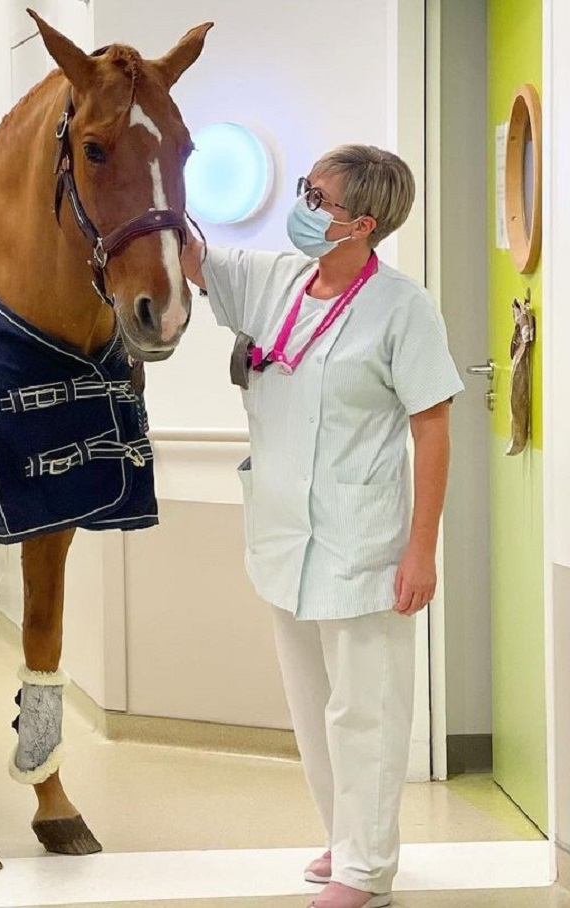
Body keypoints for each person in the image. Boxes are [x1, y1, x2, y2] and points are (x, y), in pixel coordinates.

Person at [180, 145, 463, 908]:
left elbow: (431, 427)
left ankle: (366, 872)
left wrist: (421, 550)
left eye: (319, 198)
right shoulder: (275, 279)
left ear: (362, 225)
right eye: (305, 188)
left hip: (363, 540)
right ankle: (344, 842)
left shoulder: (404, 308)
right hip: (283, 535)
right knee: (311, 705)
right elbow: (194, 260)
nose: (303, 204)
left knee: (364, 711)